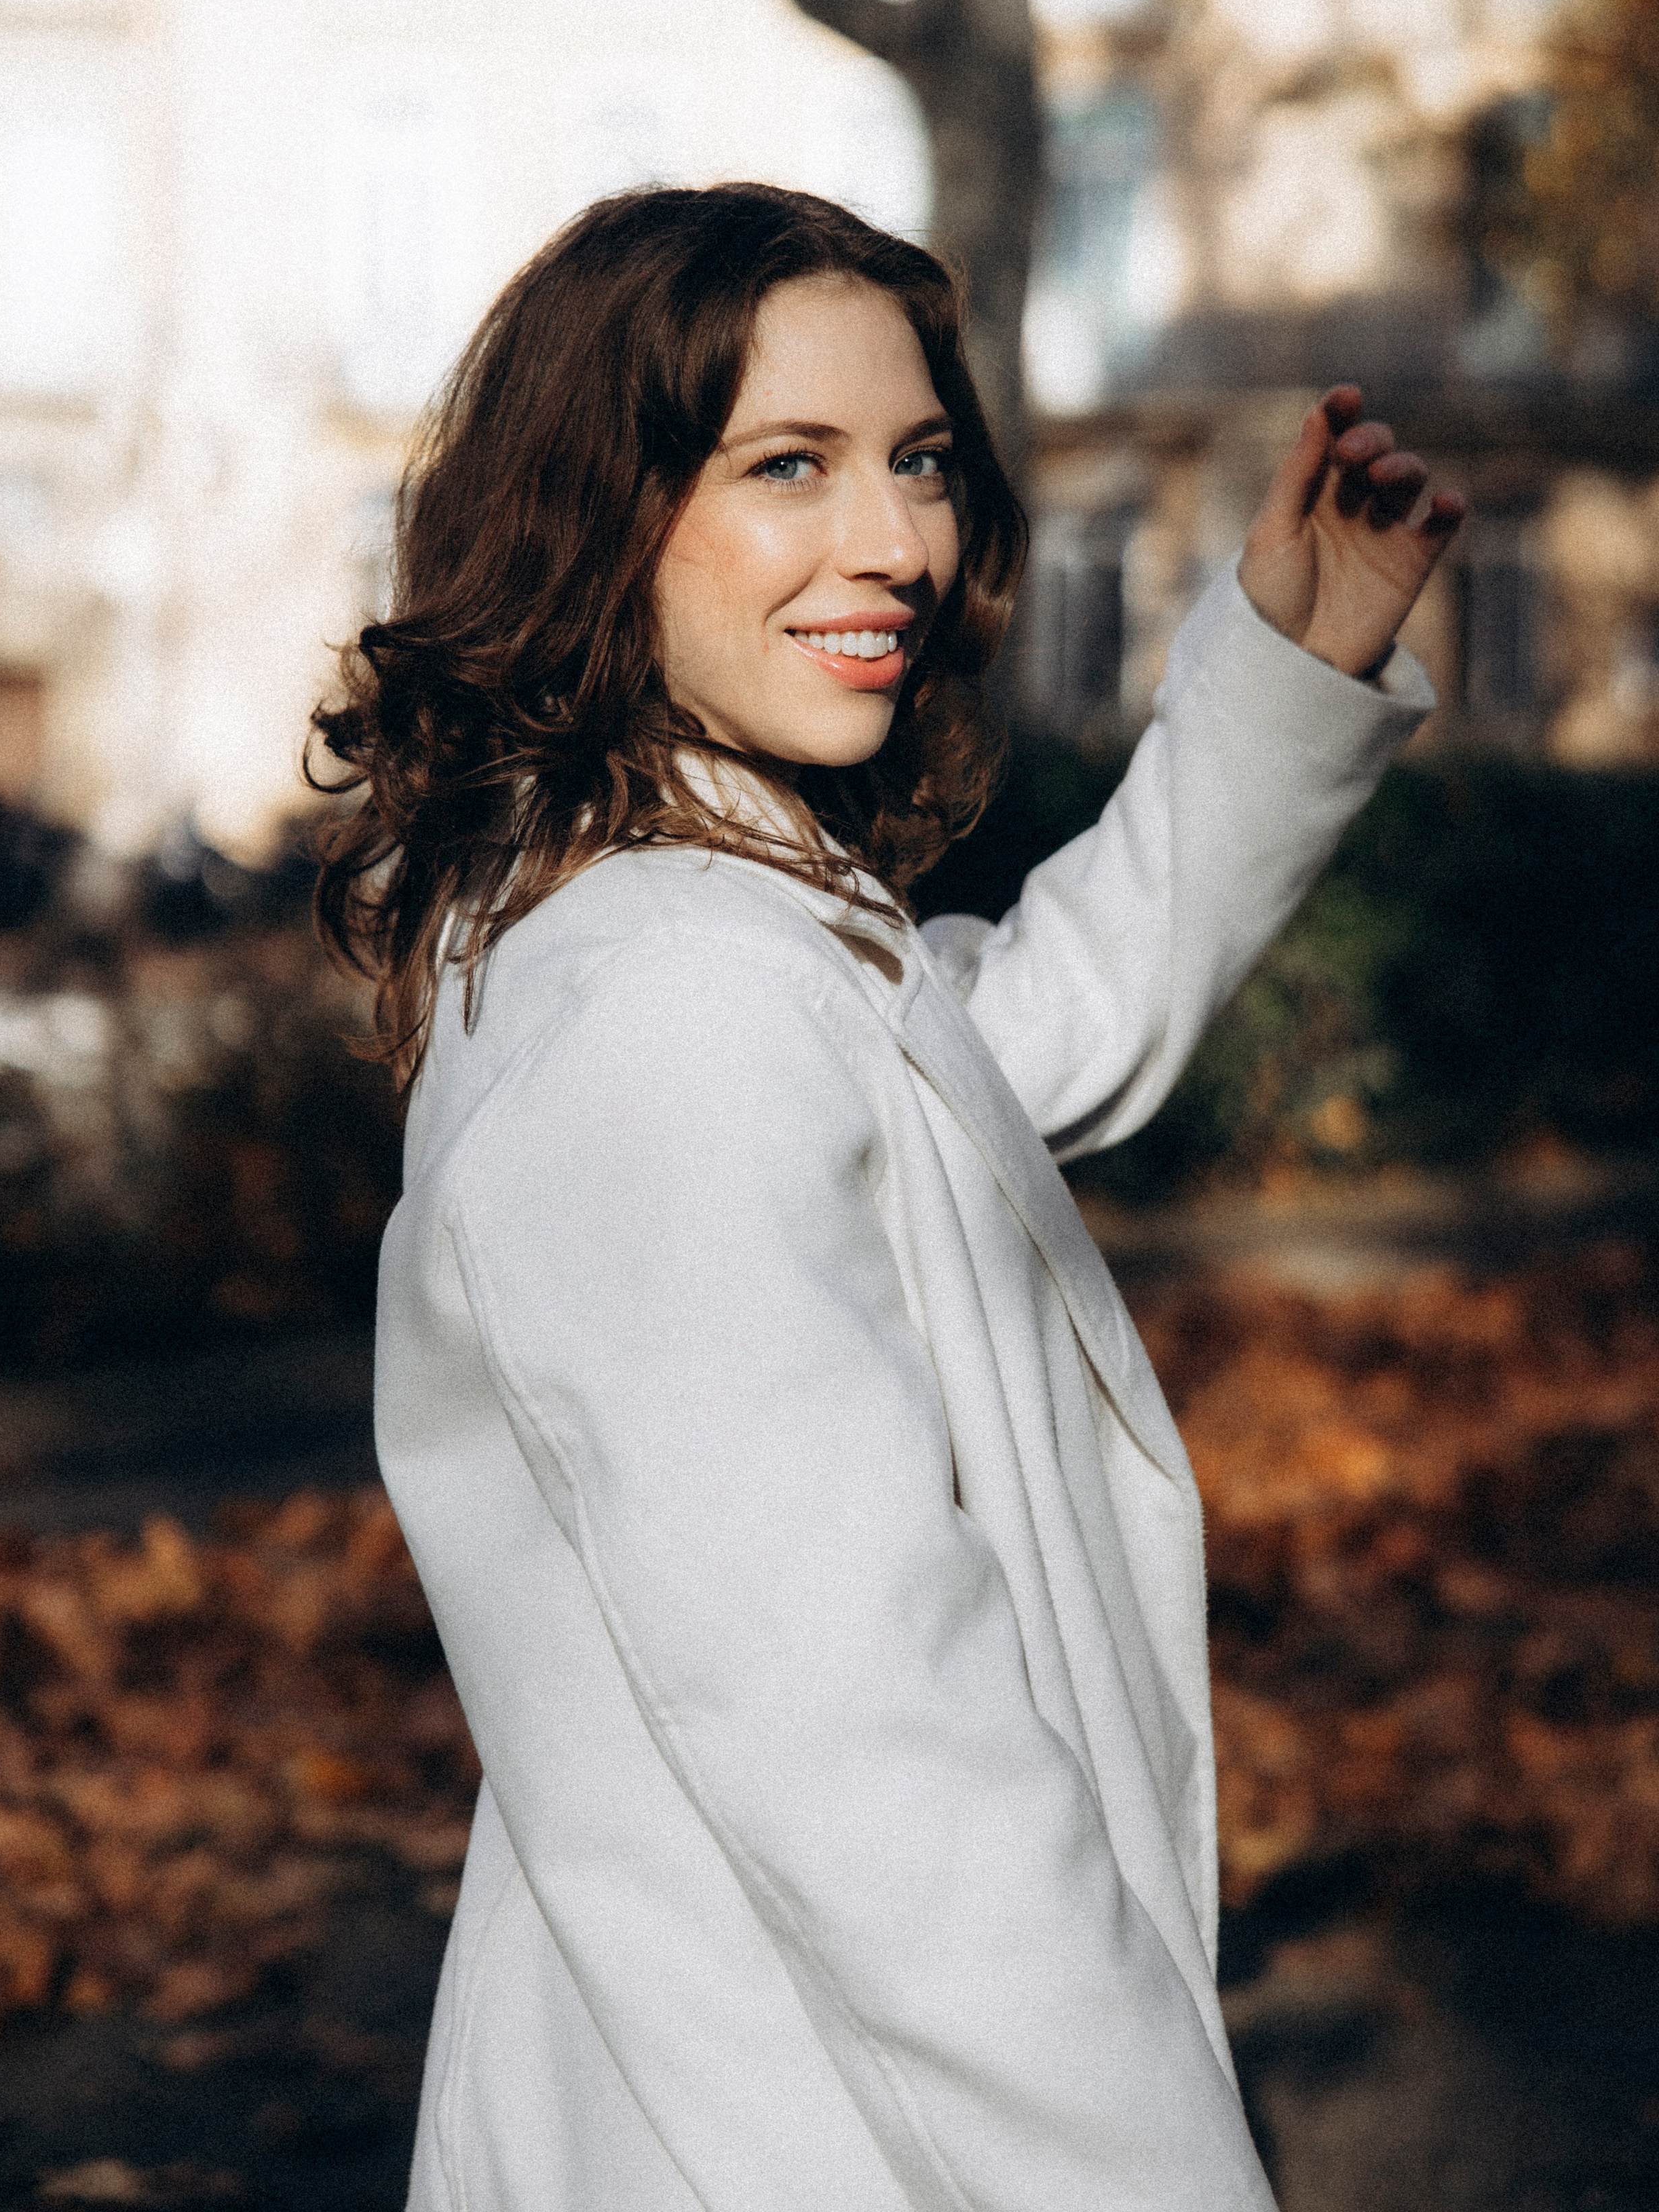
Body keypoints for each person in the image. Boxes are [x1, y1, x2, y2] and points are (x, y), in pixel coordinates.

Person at [311, 183, 1462, 2212]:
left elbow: (1015, 1050)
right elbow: (882, 1768)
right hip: (819, 2134)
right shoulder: (666, 1014)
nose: (899, 544)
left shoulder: (715, 922)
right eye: (790, 467)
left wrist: (1285, 667)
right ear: (604, 517)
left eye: (921, 460)